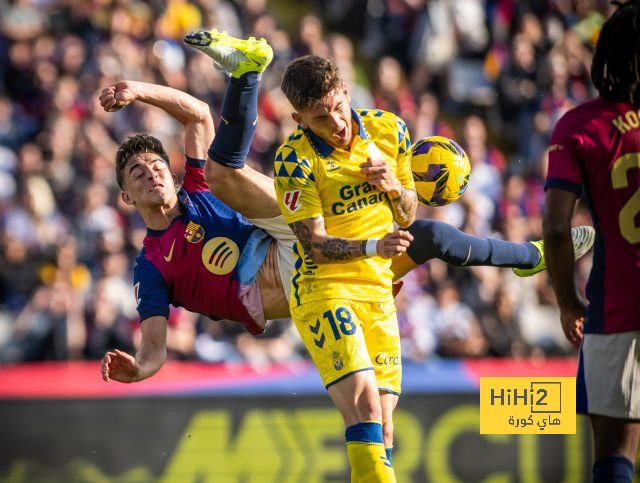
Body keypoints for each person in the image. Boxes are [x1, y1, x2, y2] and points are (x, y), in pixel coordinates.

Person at [270, 55, 592, 482]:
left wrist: (394, 186)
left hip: (378, 286)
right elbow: (314, 248)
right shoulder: (294, 159)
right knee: (365, 404)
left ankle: (533, 258)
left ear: (346, 91)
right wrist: (373, 243)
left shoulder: (389, 131)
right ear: (298, 118)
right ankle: (531, 257)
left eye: (337, 107)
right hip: (324, 289)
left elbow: (407, 214)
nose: (336, 123)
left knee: (382, 427)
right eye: (319, 117)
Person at [542, 2, 640, 482]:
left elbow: (557, 228)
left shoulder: (579, 126)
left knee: (615, 454)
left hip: (617, 303)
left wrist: (567, 303)